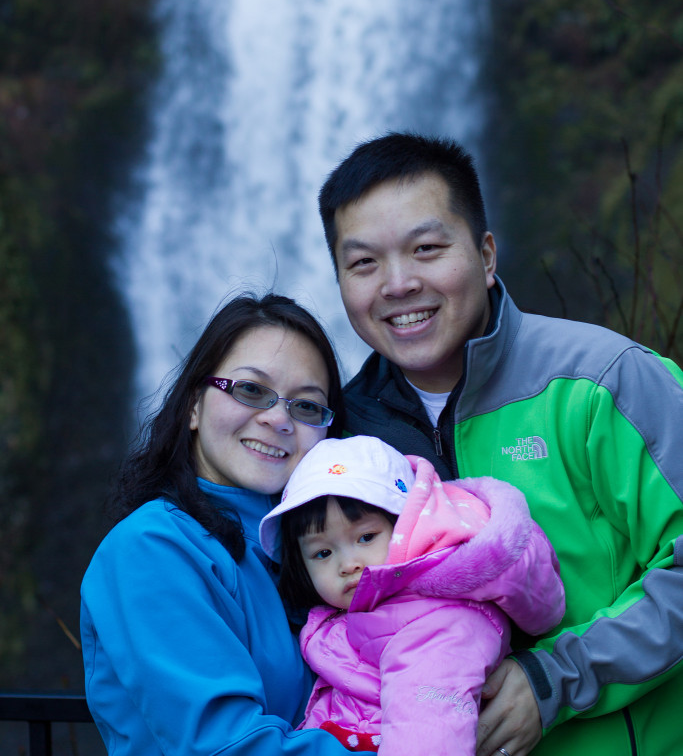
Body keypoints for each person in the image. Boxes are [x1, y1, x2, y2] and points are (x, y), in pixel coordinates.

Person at [317, 132, 683, 756]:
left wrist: (554, 679)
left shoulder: (603, 383)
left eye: (427, 249)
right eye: (364, 263)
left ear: (486, 256)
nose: (399, 283)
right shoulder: (341, 440)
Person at [80, 292, 351, 756]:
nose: (278, 419)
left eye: (306, 407)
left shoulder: (324, 548)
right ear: (193, 406)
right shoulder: (150, 549)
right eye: (250, 390)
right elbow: (227, 745)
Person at [259, 435, 565, 755]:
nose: (348, 564)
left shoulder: (438, 624)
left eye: (366, 537)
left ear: (408, 526)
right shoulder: (368, 612)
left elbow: (428, 733)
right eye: (322, 553)